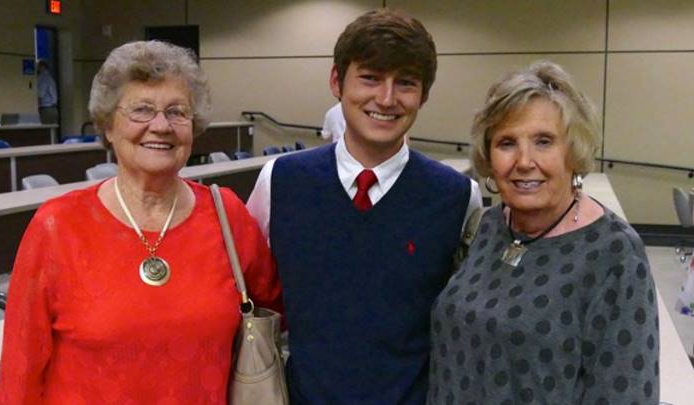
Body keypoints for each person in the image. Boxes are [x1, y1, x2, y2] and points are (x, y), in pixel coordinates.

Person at [0, 41, 281, 403]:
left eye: (177, 112)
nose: (161, 126)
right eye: (141, 110)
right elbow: (21, 370)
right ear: (108, 126)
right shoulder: (57, 227)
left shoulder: (227, 216)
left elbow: (280, 312)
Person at [247, 9, 481, 404]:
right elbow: (253, 296)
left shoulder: (457, 197)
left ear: (423, 94)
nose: (386, 99)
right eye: (370, 78)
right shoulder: (280, 182)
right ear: (337, 82)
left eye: (405, 83)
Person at [428, 61, 659, 404]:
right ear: (489, 156)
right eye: (507, 142)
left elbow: (624, 393)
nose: (524, 161)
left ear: (573, 150)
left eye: (543, 141)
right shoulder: (486, 226)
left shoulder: (614, 253)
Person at [36, 59, 58, 124]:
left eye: (38, 66)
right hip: (53, 108)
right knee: (52, 131)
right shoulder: (50, 77)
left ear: (42, 67)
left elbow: (40, 94)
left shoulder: (43, 78)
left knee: (46, 130)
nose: (37, 69)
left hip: (46, 109)